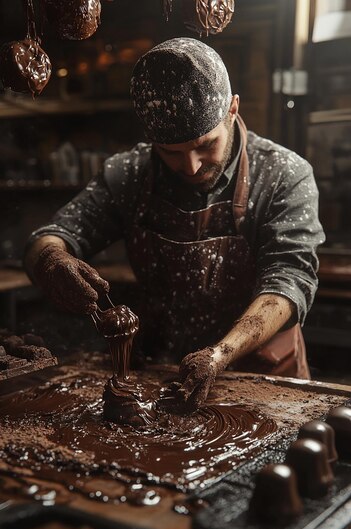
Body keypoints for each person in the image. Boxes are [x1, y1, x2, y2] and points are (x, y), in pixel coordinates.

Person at [24, 38, 325, 411]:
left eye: (205, 145)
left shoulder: (284, 174)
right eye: (171, 152)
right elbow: (49, 238)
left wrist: (219, 354)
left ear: (233, 109)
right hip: (165, 375)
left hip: (266, 378)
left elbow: (289, 279)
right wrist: (51, 261)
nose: (192, 166)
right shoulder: (130, 174)